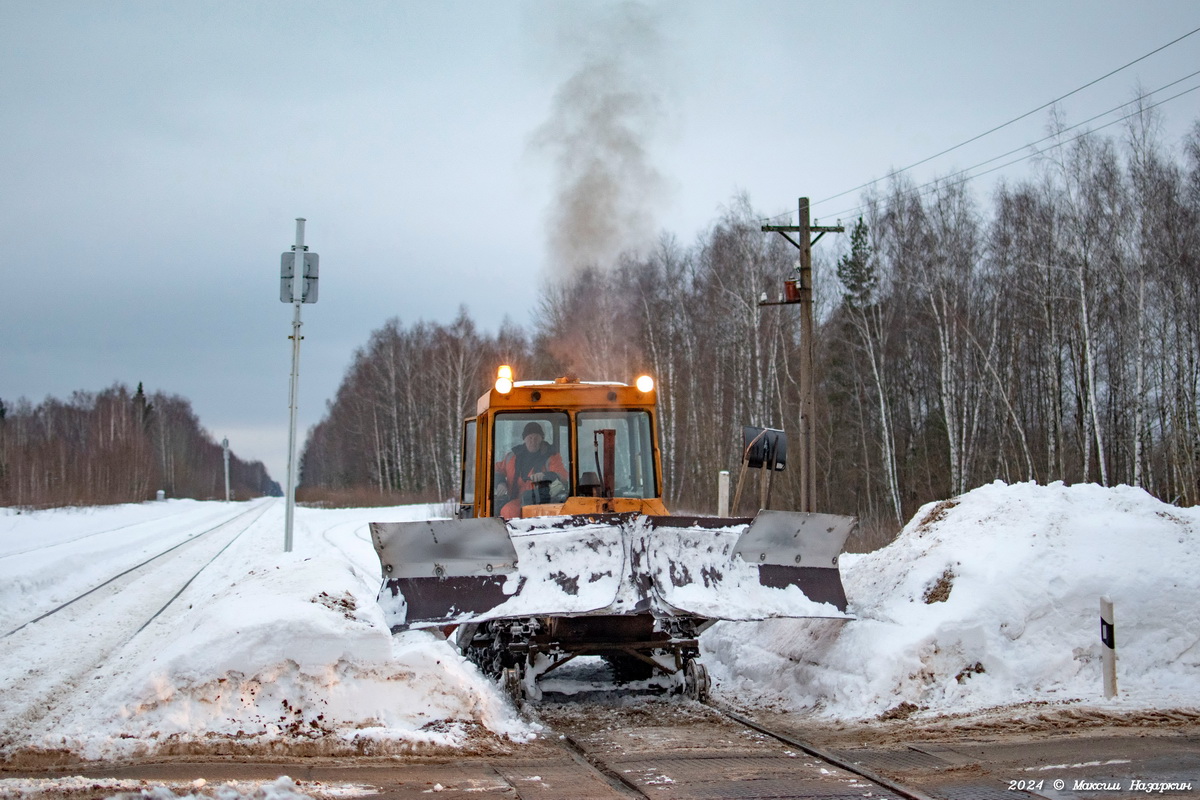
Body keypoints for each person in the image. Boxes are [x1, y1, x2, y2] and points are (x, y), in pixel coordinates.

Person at [495, 421, 567, 518]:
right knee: (507, 510)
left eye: (536, 438)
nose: (533, 441)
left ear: (542, 439)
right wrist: (500, 483)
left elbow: (563, 477)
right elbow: (496, 470)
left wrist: (546, 476)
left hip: (543, 501)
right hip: (516, 499)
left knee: (510, 510)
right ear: (524, 439)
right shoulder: (511, 457)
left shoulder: (552, 456)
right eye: (530, 438)